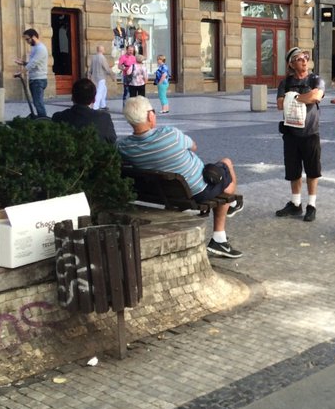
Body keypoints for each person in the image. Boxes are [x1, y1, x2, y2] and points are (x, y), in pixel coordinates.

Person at [118, 96, 243, 258]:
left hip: (166, 193)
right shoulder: (171, 135)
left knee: (217, 172)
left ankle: (231, 206)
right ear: (150, 116)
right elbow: (194, 146)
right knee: (226, 165)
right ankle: (221, 233)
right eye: (153, 112)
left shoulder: (123, 146)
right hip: (198, 189)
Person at [275, 47, 324, 222]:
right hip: (291, 133)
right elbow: (280, 104)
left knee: (312, 170)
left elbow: (315, 96)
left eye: (305, 57)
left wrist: (293, 98)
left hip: (310, 132)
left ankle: (311, 205)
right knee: (293, 171)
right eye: (299, 58)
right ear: (291, 64)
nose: (304, 60)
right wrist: (304, 96)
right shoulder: (285, 82)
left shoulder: (315, 79)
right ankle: (296, 204)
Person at [51, 78, 117, 144]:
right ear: (94, 99)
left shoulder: (58, 117)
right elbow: (112, 140)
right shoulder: (104, 118)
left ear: (72, 98)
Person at [16, 28, 49, 117]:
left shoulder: (41, 49)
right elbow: (32, 64)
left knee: (38, 103)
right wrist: (23, 63)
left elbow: (33, 64)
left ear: (33, 37)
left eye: (27, 39)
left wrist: (21, 72)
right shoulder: (35, 48)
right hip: (34, 79)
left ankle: (43, 121)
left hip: (39, 80)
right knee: (36, 102)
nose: (27, 42)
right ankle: (41, 118)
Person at [88, 45, 111, 111]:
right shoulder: (102, 57)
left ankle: (103, 105)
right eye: (104, 49)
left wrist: (89, 74)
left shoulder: (94, 57)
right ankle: (95, 106)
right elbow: (106, 67)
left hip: (94, 77)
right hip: (101, 77)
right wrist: (112, 75)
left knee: (104, 90)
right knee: (99, 92)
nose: (104, 50)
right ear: (101, 50)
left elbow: (91, 67)